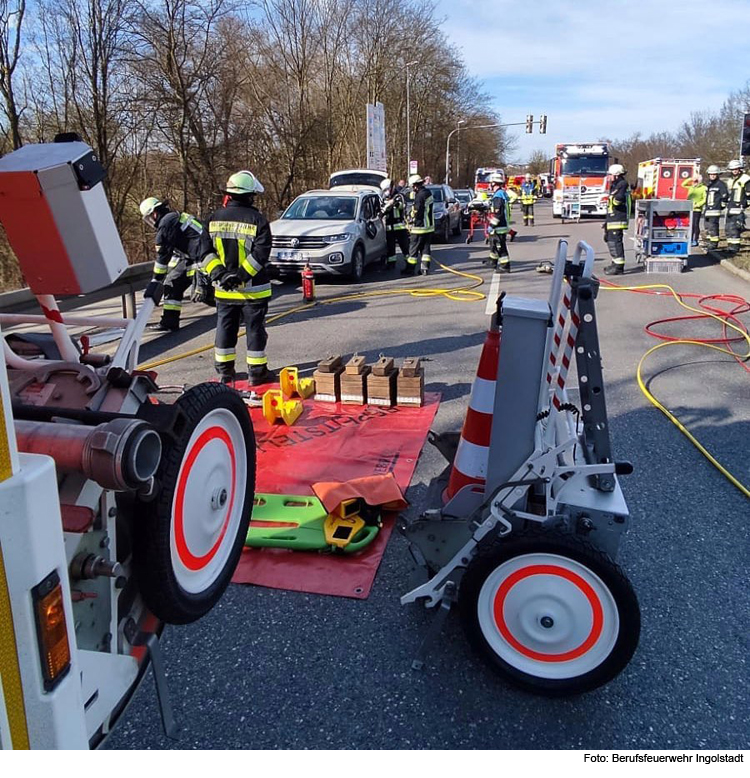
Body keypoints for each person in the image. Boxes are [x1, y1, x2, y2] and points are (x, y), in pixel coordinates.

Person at [201, 170, 275, 386]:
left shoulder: (213, 219)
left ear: (230, 195)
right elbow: (260, 255)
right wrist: (240, 277)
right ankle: (256, 373)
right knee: (255, 330)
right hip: (254, 290)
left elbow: (204, 253)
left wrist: (221, 275)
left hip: (224, 290)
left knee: (225, 329)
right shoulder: (258, 221)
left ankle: (225, 373)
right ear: (250, 195)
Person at [139, 197, 208, 331]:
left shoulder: (166, 223)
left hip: (203, 257)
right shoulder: (172, 218)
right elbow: (173, 253)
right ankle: (169, 321)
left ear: (154, 214)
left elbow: (163, 254)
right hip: (193, 256)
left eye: (149, 218)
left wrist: (156, 278)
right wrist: (165, 275)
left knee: (204, 293)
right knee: (172, 282)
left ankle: (235, 312)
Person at [404, 173, 434, 275]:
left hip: (419, 227)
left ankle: (410, 269)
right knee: (425, 249)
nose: (412, 189)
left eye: (412, 187)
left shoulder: (419, 196)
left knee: (413, 249)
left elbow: (418, 211)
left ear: (416, 185)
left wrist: (411, 217)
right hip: (429, 227)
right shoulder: (428, 192)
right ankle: (424, 268)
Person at [603, 164, 630, 275]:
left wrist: (613, 199)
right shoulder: (615, 185)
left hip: (618, 218)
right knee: (609, 240)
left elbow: (619, 200)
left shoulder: (622, 184)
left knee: (615, 242)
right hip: (612, 218)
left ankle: (619, 267)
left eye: (610, 174)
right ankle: (615, 262)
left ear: (617, 175)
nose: (608, 176)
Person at [488, 173, 517, 272]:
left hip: (499, 227)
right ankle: (492, 262)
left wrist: (492, 225)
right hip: (501, 226)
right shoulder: (500, 194)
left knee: (500, 247)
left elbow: (498, 214)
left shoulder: (498, 196)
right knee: (494, 245)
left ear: (494, 183)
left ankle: (505, 266)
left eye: (491, 183)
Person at [380, 178, 409, 268]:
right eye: (384, 190)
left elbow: (402, 206)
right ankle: (391, 264)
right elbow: (382, 210)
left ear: (391, 187)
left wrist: (393, 203)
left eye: (387, 189)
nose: (386, 192)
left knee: (404, 247)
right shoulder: (384, 199)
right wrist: (385, 207)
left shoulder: (399, 196)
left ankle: (410, 264)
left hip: (399, 227)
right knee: (390, 248)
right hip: (389, 228)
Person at [724, 159, 750, 255]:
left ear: (740, 169)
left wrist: (745, 204)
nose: (734, 170)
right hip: (730, 207)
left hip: (739, 207)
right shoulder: (730, 180)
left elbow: (748, 194)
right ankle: (730, 246)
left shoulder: (745, 179)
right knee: (728, 228)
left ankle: (735, 248)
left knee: (735, 228)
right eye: (732, 169)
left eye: (736, 169)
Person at [703, 165, 729, 253]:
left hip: (715, 210)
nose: (712, 176)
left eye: (714, 174)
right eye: (711, 174)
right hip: (707, 210)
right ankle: (709, 242)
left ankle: (714, 244)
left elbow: (725, 197)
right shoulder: (709, 184)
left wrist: (721, 206)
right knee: (707, 227)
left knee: (713, 227)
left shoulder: (721, 185)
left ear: (718, 174)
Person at [680, 173, 707, 246]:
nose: (694, 182)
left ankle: (695, 239)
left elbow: (705, 199)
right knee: (690, 225)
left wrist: (698, 204)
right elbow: (683, 184)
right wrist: (691, 178)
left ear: (699, 181)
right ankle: (689, 239)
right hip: (689, 208)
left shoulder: (703, 188)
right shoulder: (691, 187)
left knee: (695, 225)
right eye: (694, 181)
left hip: (697, 209)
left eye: (696, 181)